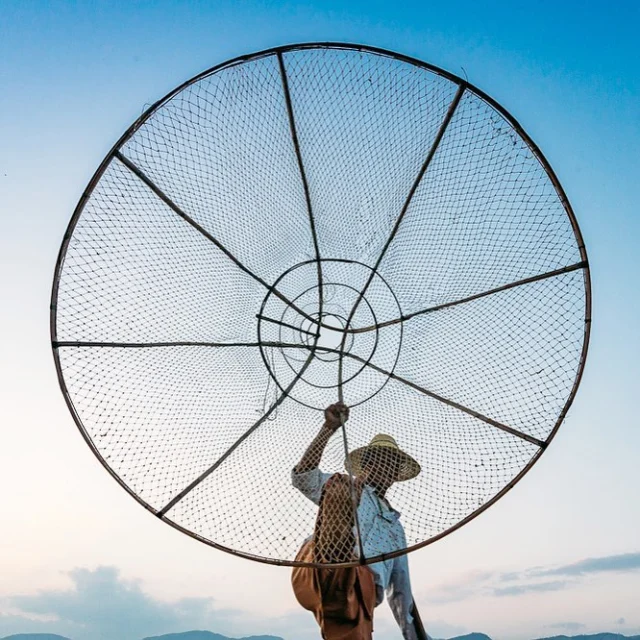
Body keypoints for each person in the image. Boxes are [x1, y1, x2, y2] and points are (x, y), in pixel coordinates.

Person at [291, 402, 422, 640]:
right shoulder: (348, 486)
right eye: (377, 461)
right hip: (322, 568)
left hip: (361, 596)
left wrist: (414, 636)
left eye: (389, 464)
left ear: (394, 474)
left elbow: (401, 590)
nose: (382, 468)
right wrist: (328, 429)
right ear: (367, 465)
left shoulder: (395, 528)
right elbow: (304, 478)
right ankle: (336, 564)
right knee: (340, 489)